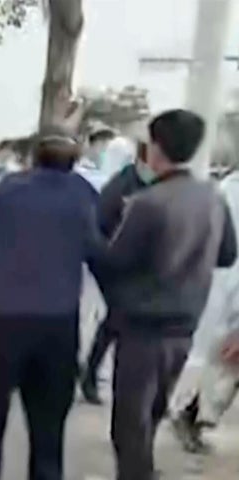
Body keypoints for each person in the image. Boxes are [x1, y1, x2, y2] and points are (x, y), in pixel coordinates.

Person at [0, 128, 100, 480]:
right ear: (74, 164)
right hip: (59, 323)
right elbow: (101, 245)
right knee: (49, 425)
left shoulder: (13, 189)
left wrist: (14, 179)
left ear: (33, 159)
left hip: (6, 320)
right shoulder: (84, 194)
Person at [102, 110, 236, 480]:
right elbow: (227, 254)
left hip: (143, 324)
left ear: (155, 147)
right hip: (186, 324)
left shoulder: (148, 202)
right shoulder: (213, 197)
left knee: (129, 424)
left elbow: (117, 260)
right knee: (152, 413)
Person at [171, 162, 239, 453]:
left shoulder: (227, 188)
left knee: (226, 368)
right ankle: (190, 415)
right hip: (229, 295)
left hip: (226, 294)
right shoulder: (231, 190)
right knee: (225, 366)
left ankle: (192, 415)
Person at [80, 136, 152, 404]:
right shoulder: (121, 185)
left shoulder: (155, 185)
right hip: (114, 263)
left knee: (120, 321)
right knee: (117, 319)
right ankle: (92, 373)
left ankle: (95, 372)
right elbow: (101, 225)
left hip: (142, 266)